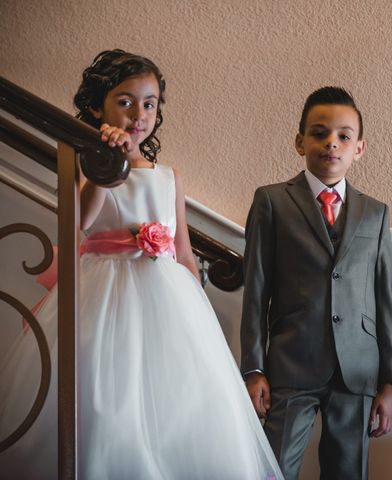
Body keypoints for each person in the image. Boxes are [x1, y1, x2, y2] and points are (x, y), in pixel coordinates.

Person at [0, 49, 283, 480]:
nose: (138, 113)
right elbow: (80, 222)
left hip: (165, 297)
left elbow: (184, 251)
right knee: (105, 399)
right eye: (125, 101)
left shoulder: (169, 176)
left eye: (149, 104)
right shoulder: (86, 165)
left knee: (177, 401)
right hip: (103, 293)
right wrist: (104, 170)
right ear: (98, 106)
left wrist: (197, 312)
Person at [241, 86, 392, 479]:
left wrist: (389, 382)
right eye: (319, 133)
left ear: (358, 148)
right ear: (300, 141)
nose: (331, 143)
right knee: (273, 467)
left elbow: (385, 299)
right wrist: (253, 369)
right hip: (290, 364)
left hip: (358, 370)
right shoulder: (271, 201)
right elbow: (255, 291)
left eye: (343, 136)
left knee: (348, 471)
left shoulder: (375, 214)